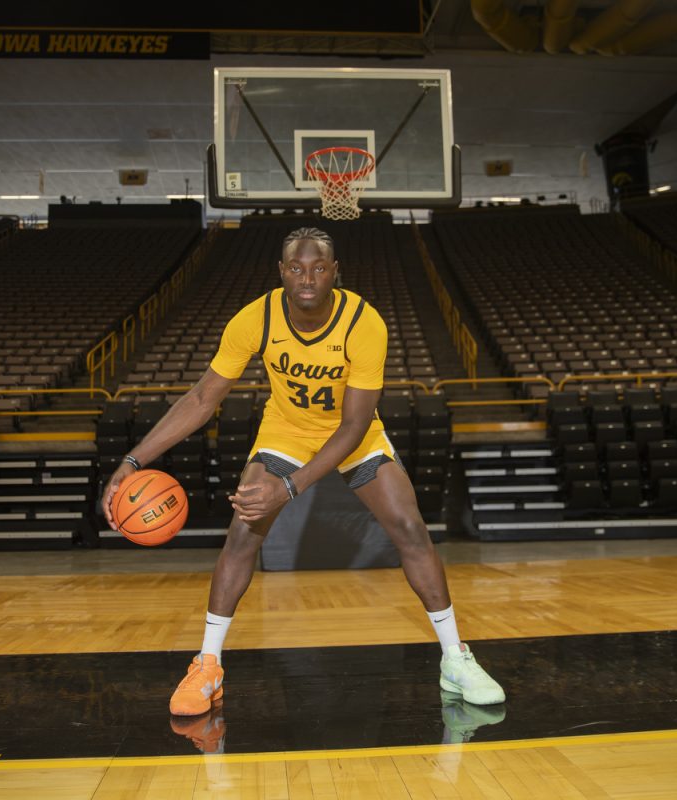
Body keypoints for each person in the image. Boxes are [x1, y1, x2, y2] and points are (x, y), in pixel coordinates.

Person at [103, 226, 504, 716]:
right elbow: (203, 397)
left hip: (352, 434)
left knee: (409, 527)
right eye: (296, 268)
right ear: (281, 273)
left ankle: (454, 658)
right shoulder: (256, 318)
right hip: (286, 430)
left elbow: (354, 425)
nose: (307, 277)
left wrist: (289, 487)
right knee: (242, 532)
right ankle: (208, 664)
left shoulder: (364, 322)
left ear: (335, 272)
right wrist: (132, 461)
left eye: (318, 268)